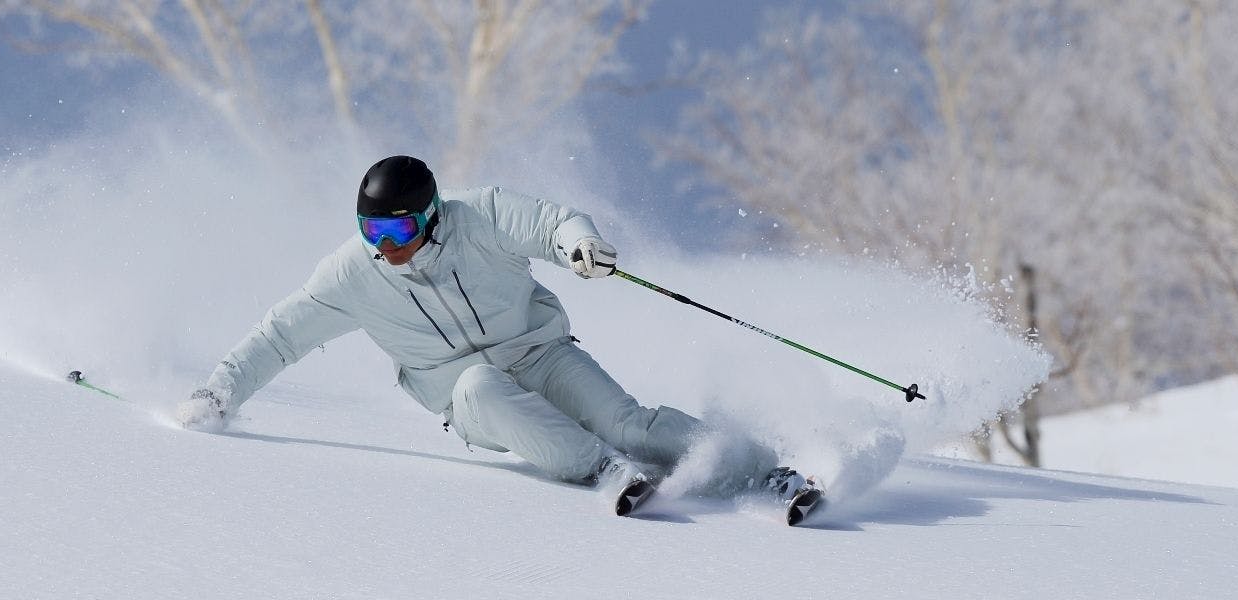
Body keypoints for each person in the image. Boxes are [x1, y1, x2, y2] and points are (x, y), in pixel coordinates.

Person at [176, 155, 808, 516]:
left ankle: (766, 472)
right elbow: (280, 334)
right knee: (480, 386)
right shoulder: (353, 275)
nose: (384, 250)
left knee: (629, 423)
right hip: (467, 396)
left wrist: (578, 246)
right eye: (372, 235)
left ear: (429, 215)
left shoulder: (479, 215)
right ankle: (605, 472)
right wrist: (219, 392)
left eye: (395, 234)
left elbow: (553, 223)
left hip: (540, 351)